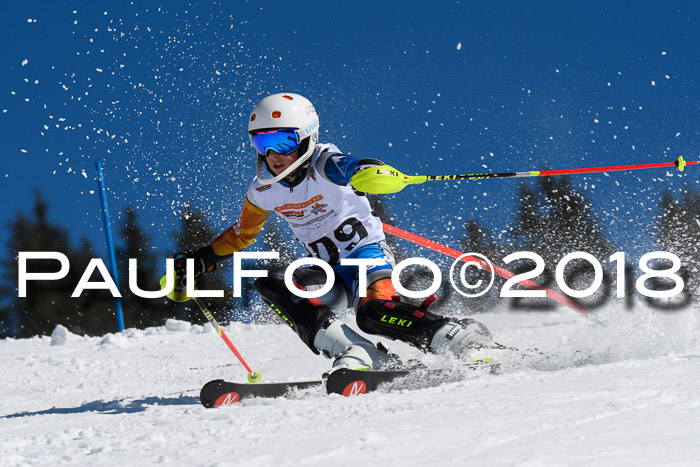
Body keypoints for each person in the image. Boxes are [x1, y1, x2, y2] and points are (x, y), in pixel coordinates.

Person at [166, 92, 500, 371]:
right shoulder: (263, 191)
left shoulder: (325, 163)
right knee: (271, 282)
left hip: (366, 258)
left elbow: (351, 166)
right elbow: (242, 234)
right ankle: (359, 353)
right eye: (262, 142)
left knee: (373, 314)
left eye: (283, 141)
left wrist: (371, 171)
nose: (272, 155)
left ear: (307, 139)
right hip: (327, 270)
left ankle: (459, 336)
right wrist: (201, 259)